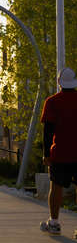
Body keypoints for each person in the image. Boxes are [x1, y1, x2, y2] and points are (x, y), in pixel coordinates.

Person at [40, 67, 77, 235]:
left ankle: (54, 223)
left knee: (56, 187)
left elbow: (48, 131)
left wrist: (46, 154)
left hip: (60, 152)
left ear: (59, 83)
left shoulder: (52, 102)